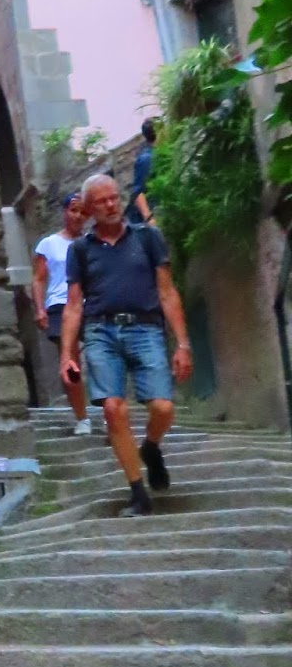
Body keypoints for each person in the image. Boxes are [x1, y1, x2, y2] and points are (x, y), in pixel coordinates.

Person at [60, 173, 193, 517]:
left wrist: (182, 344)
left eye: (114, 198)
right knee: (112, 408)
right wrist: (66, 356)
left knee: (162, 407)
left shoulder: (148, 238)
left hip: (146, 328)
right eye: (102, 201)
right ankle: (138, 492)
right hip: (100, 332)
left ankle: (150, 447)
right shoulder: (79, 249)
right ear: (89, 209)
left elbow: (167, 291)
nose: (111, 205)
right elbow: (74, 305)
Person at [33, 194, 91, 435]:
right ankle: (82, 418)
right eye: (74, 210)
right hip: (59, 305)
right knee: (71, 362)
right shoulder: (49, 244)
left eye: (82, 212)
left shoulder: (92, 242)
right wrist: (39, 309)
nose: (78, 216)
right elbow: (38, 279)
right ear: (65, 211)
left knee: (101, 356)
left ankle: (110, 409)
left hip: (92, 303)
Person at [126, 119, 158, 226]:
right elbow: (138, 192)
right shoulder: (147, 159)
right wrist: (149, 218)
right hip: (145, 220)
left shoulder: (157, 154)